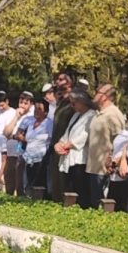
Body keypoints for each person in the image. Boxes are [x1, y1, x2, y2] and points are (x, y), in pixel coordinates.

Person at [85, 84, 126, 210]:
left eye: (98, 92)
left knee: (102, 205)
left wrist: (113, 160)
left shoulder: (113, 114)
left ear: (105, 97)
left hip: (104, 168)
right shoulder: (98, 113)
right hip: (93, 166)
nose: (94, 94)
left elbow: (121, 140)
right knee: (93, 204)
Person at [55, 90, 92, 206]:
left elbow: (85, 135)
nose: (72, 106)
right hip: (68, 155)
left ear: (82, 102)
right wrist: (59, 144)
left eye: (74, 103)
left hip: (80, 158)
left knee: (79, 189)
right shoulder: (75, 115)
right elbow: (67, 133)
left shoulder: (92, 115)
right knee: (68, 187)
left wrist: (70, 144)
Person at [45, 72, 76, 201]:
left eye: (61, 79)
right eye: (57, 79)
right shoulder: (61, 102)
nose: (57, 82)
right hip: (55, 147)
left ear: (70, 82)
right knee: (55, 186)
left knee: (65, 186)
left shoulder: (75, 101)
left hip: (68, 148)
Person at [16, 100, 53, 194]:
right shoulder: (31, 122)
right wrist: (22, 138)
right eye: (35, 108)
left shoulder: (49, 123)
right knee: (27, 184)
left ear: (46, 112)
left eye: (39, 109)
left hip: (41, 159)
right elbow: (26, 137)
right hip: (28, 158)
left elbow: (51, 139)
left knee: (38, 185)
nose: (36, 111)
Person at [1, 92, 33, 196]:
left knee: (20, 185)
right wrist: (16, 117)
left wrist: (14, 136)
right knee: (9, 184)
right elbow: (6, 133)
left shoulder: (31, 117)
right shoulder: (13, 114)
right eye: (21, 102)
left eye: (25, 103)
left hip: (22, 155)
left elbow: (24, 136)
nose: (22, 105)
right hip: (11, 154)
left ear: (31, 104)